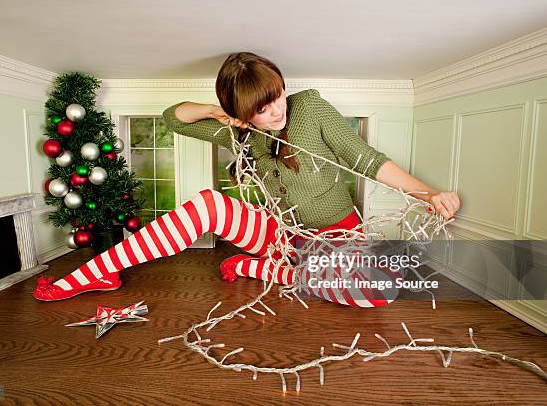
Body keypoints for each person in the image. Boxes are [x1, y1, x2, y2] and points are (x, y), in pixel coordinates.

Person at [33, 52, 460, 306]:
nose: (276, 111)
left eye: (275, 96)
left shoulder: (309, 108)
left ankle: (262, 270)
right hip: (279, 234)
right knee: (207, 204)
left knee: (380, 293)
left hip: (336, 235)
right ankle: (93, 275)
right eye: (262, 108)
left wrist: (428, 192)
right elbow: (173, 118)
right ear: (242, 112)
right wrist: (214, 111)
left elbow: (367, 160)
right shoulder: (240, 129)